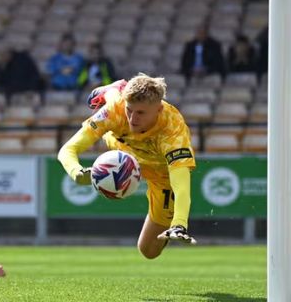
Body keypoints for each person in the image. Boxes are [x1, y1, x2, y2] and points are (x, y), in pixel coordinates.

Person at [58, 74, 198, 260]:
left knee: (148, 251)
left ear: (158, 109)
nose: (132, 118)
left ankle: (112, 89)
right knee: (105, 102)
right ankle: (113, 89)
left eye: (140, 113)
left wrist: (179, 223)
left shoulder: (173, 131)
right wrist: (77, 172)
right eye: (129, 110)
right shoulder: (115, 109)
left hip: (161, 174)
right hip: (122, 151)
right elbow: (67, 150)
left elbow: (181, 185)